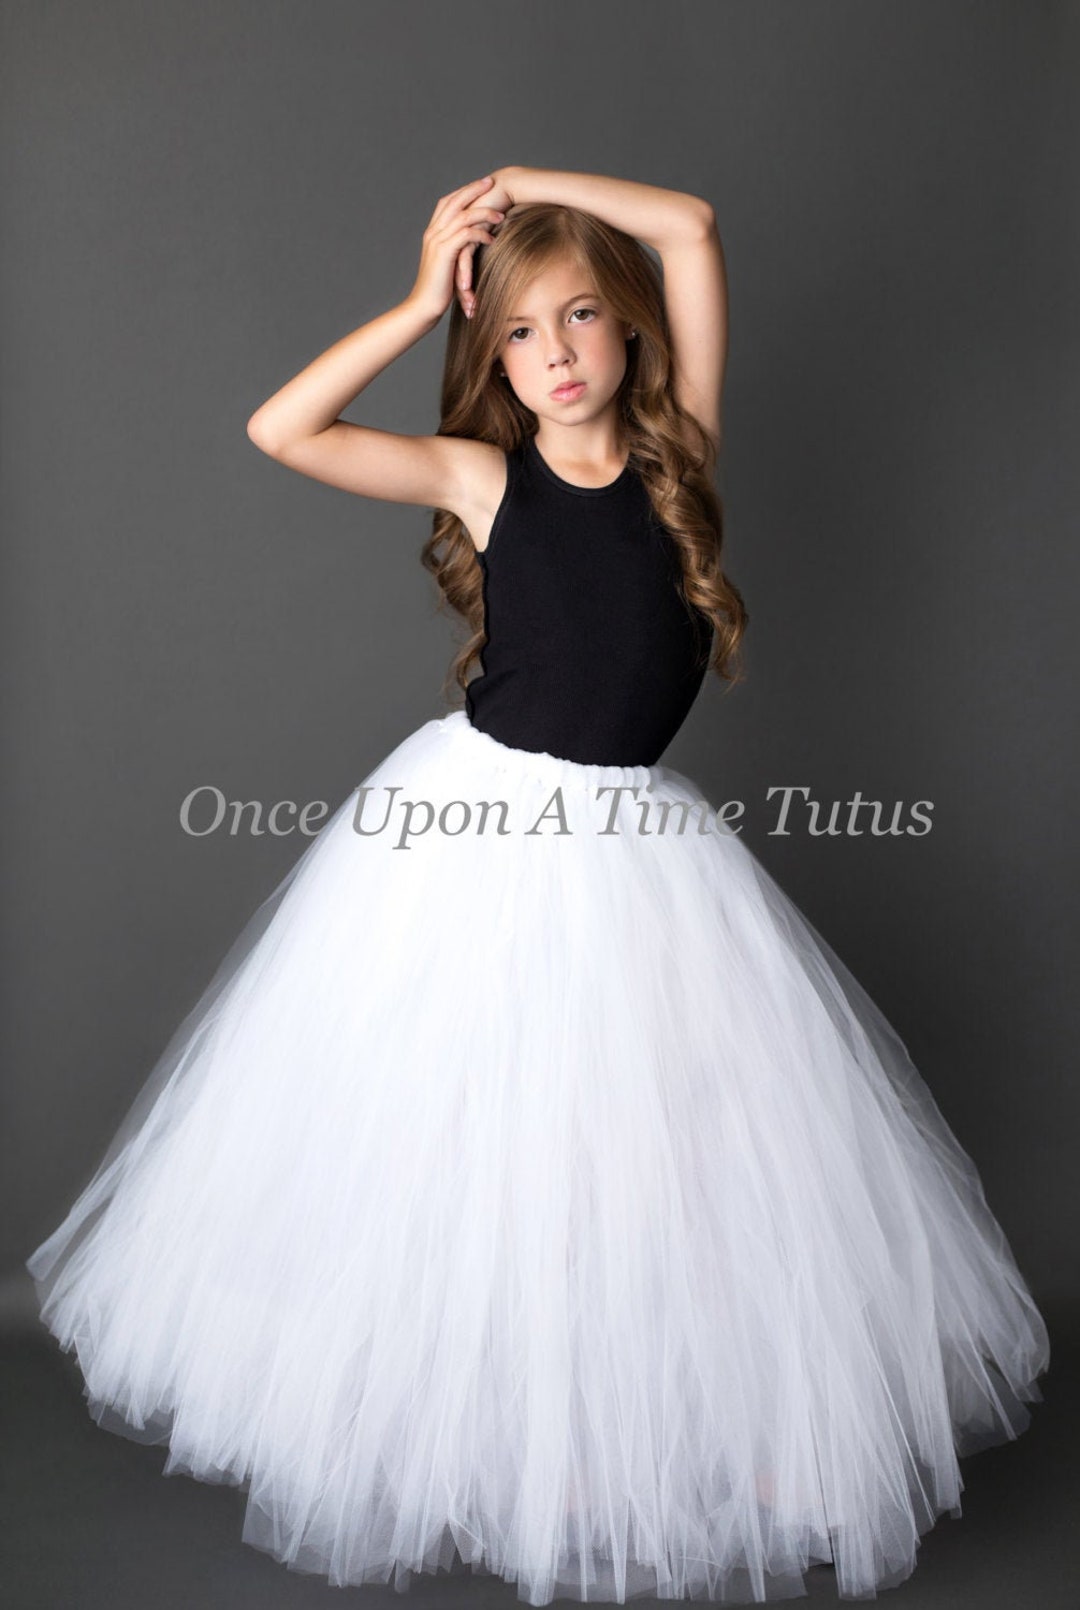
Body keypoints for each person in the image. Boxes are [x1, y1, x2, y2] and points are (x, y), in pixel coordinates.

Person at [25, 165, 1049, 1606]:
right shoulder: (482, 476)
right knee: (500, 1153)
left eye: (578, 316)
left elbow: (689, 226)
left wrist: (525, 186)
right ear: (492, 356)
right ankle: (528, 1450)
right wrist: (417, 296)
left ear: (630, 328)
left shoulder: (682, 450)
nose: (554, 352)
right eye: (516, 332)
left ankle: (721, 1436)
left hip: (638, 860)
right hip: (482, 846)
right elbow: (282, 429)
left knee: (677, 1154)